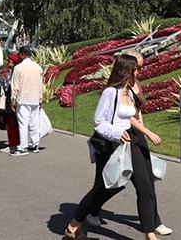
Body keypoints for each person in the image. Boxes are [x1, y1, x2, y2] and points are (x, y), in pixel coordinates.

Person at [65, 54, 163, 240]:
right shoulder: (111, 92)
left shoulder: (129, 91)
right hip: (113, 143)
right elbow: (98, 122)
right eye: (136, 68)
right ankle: (74, 225)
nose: (139, 71)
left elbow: (130, 117)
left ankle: (149, 234)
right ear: (127, 70)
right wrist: (116, 134)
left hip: (131, 140)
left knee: (145, 184)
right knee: (104, 188)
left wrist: (146, 132)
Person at [10, 45, 44, 156]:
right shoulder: (38, 67)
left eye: (19, 54)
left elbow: (15, 86)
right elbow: (40, 85)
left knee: (23, 123)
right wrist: (40, 98)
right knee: (34, 122)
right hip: (34, 98)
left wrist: (13, 101)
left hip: (23, 98)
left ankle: (23, 146)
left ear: (23, 54)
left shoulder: (18, 68)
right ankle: (35, 144)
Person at [0, 53, 21, 154]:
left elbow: (10, 86)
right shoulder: (11, 71)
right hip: (9, 100)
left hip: (12, 100)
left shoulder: (15, 72)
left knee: (12, 124)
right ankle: (15, 143)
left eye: (9, 61)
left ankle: (13, 145)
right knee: (12, 123)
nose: (7, 62)